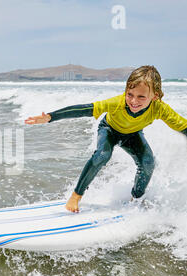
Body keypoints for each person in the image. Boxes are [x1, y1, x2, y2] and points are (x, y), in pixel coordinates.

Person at [25, 65, 187, 213]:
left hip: (133, 135)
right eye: (129, 94)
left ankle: (136, 200)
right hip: (109, 130)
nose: (133, 101)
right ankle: (76, 196)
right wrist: (51, 117)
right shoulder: (118, 103)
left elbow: (183, 127)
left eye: (141, 97)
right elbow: (85, 109)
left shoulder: (159, 108)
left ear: (155, 96)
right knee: (102, 155)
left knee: (148, 162)